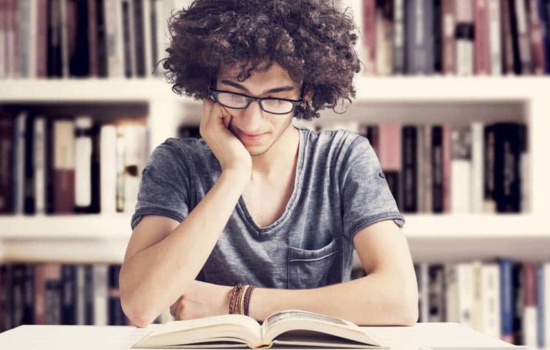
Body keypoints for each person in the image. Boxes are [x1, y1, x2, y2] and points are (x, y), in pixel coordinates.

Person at [120, 0, 418, 328]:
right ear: (209, 88)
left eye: (275, 99)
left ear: (304, 95)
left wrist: (236, 301)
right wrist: (234, 173)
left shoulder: (343, 159)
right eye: (235, 94)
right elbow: (141, 304)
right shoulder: (178, 163)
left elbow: (399, 300)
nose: (252, 121)